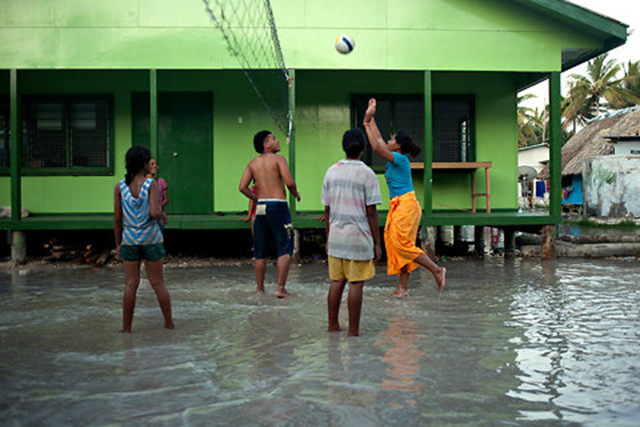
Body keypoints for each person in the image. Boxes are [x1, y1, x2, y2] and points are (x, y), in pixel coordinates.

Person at [363, 98, 446, 297]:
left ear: (398, 145)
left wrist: (366, 122)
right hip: (399, 206)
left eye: (392, 140)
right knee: (396, 244)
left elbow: (376, 147)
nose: (388, 142)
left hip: (406, 205)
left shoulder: (399, 158)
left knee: (402, 244)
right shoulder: (395, 156)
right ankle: (402, 288)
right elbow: (380, 140)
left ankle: (436, 270)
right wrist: (371, 116)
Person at [322, 129, 382, 336]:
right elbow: (371, 212)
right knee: (356, 283)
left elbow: (327, 210)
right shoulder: (368, 174)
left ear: (343, 147)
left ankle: (332, 326)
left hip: (336, 238)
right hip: (359, 238)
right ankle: (353, 332)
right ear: (363, 149)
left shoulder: (331, 171)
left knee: (336, 282)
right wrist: (377, 243)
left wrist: (328, 238)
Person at [114, 146, 174, 333]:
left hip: (129, 239)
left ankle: (126, 329)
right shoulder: (151, 184)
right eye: (149, 161)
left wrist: (118, 244)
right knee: (158, 283)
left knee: (131, 284)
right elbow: (154, 211)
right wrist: (163, 217)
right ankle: (169, 324)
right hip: (151, 239)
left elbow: (117, 219)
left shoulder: (120, 186)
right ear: (143, 164)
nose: (151, 164)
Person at [239, 130, 301, 298]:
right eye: (274, 139)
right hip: (278, 206)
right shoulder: (279, 159)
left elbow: (242, 187)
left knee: (260, 250)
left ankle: (260, 289)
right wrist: (296, 193)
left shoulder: (253, 163)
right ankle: (280, 288)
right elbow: (289, 182)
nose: (278, 141)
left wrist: (256, 197)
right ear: (266, 145)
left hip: (260, 207)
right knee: (284, 248)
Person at [146, 157, 169, 234]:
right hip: (146, 217)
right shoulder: (142, 183)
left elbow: (166, 199)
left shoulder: (161, 181)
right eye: (152, 164)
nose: (155, 166)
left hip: (159, 216)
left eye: (156, 164)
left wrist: (158, 207)